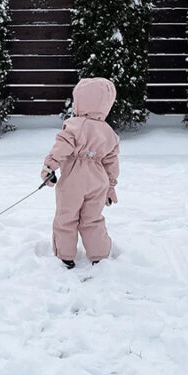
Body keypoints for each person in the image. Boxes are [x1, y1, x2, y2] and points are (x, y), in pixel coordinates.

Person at [40, 77, 120, 268]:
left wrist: (50, 167)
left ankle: (66, 255)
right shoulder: (109, 133)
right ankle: (99, 254)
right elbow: (111, 162)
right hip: (98, 181)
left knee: (66, 217)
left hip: (73, 180)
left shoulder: (75, 125)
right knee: (92, 218)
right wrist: (110, 188)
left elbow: (62, 146)